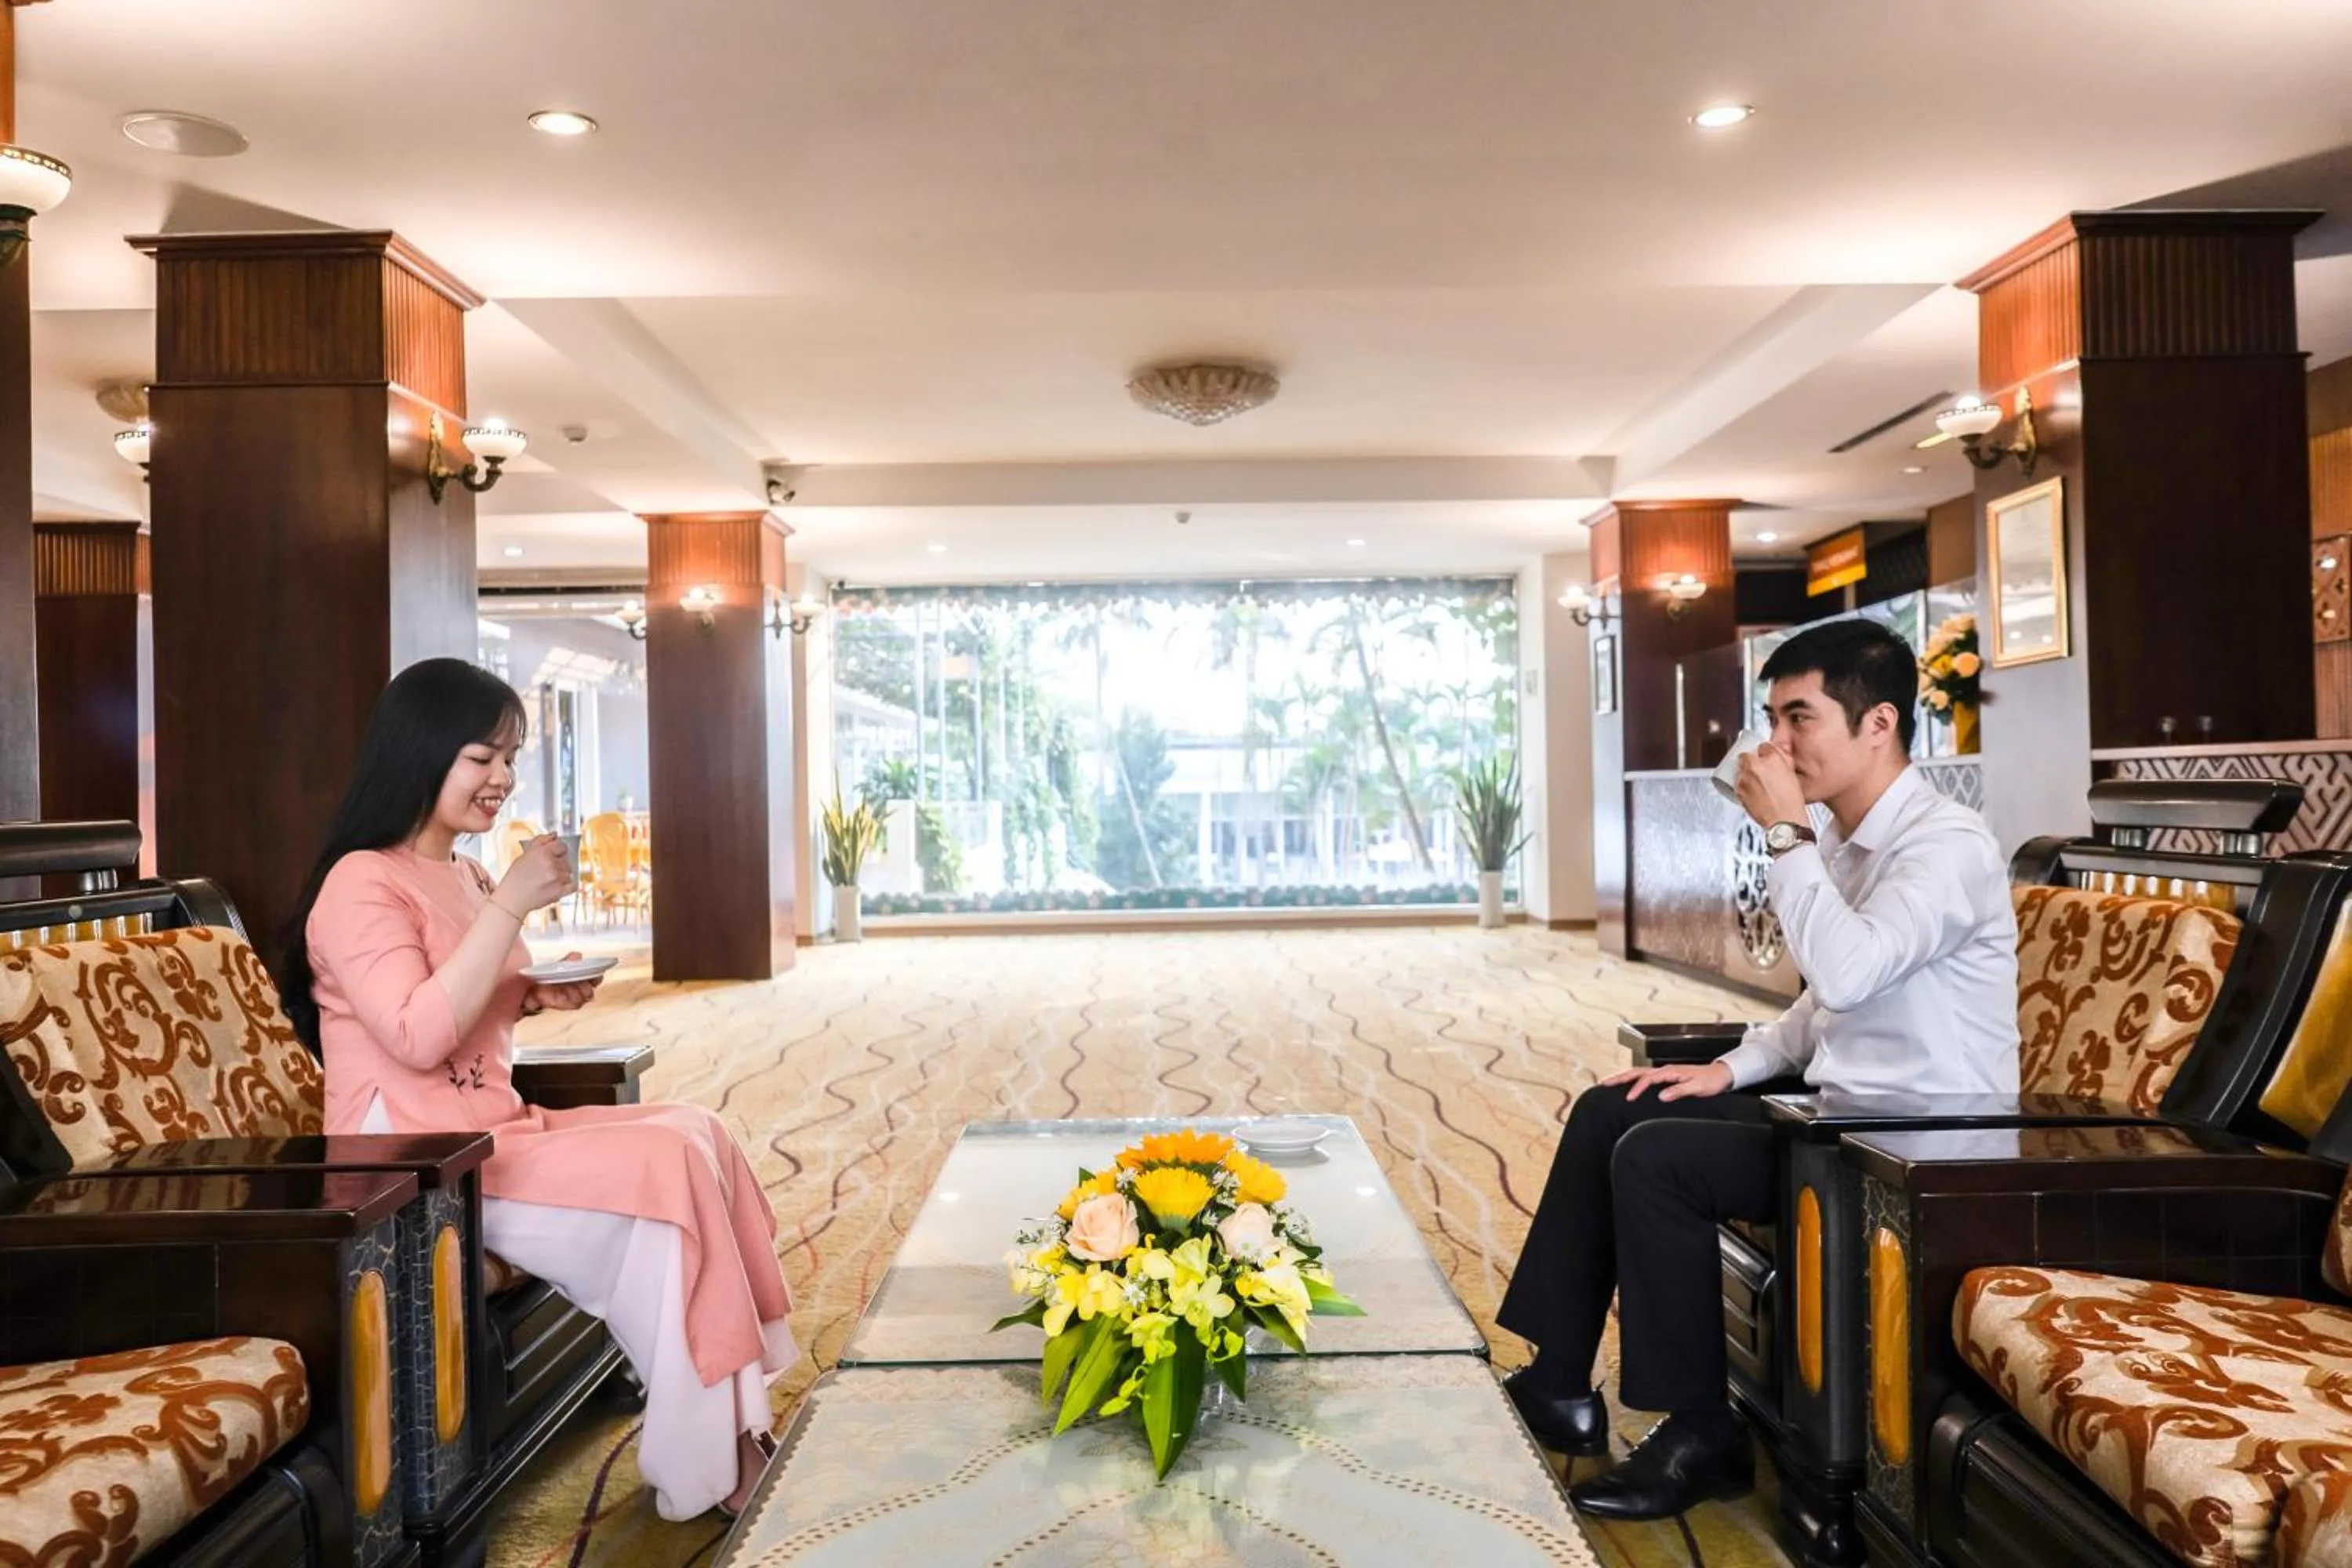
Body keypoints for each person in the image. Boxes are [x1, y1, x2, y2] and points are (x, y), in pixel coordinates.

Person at [1494, 619, 2017, 1520]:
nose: (1775, 743)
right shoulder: (1848, 842)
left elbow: (1848, 968)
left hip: (1914, 1145)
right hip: (1837, 1114)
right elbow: (1828, 1007)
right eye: (1771, 717)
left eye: (1799, 718)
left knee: (1658, 1158)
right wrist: (1730, 1068)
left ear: (1879, 722)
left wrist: (1784, 831)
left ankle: (1703, 1433)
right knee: (1614, 1106)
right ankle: (1559, 1379)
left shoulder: (1946, 845)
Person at [276, 659, 797, 1523]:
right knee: (665, 1164)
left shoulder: (466, 874)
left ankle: (730, 1428)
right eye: (483, 756)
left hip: (491, 1131)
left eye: (510, 757)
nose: (504, 778)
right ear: (422, 753)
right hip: (416, 1167)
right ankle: (713, 1458)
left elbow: (469, 999)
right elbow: (413, 1032)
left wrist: (534, 989)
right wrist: (512, 910)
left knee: (695, 1126)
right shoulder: (360, 880)